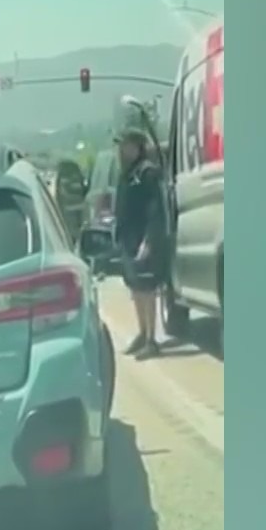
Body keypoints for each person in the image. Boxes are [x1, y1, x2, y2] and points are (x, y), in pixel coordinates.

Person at [113, 127, 171, 358]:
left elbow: (155, 212)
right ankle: (141, 333)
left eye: (126, 144)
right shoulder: (127, 173)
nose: (122, 148)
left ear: (138, 147)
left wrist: (149, 241)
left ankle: (151, 340)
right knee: (135, 288)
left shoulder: (148, 173)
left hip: (143, 238)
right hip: (128, 238)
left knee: (147, 289)